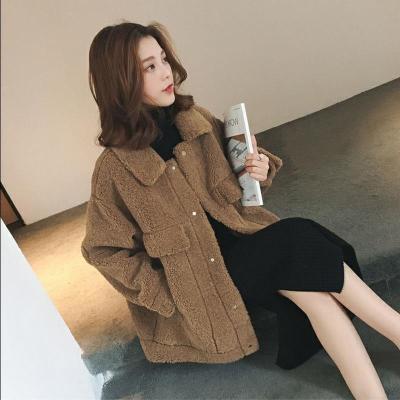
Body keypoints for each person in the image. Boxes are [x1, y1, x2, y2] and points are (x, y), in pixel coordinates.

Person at [81, 21, 399, 399]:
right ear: (121, 81)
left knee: (316, 293)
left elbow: (238, 171)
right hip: (205, 278)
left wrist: (258, 167)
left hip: (246, 243)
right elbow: (103, 251)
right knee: (297, 235)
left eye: (163, 59)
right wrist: (167, 293)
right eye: (150, 67)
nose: (166, 72)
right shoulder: (114, 171)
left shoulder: (195, 120)